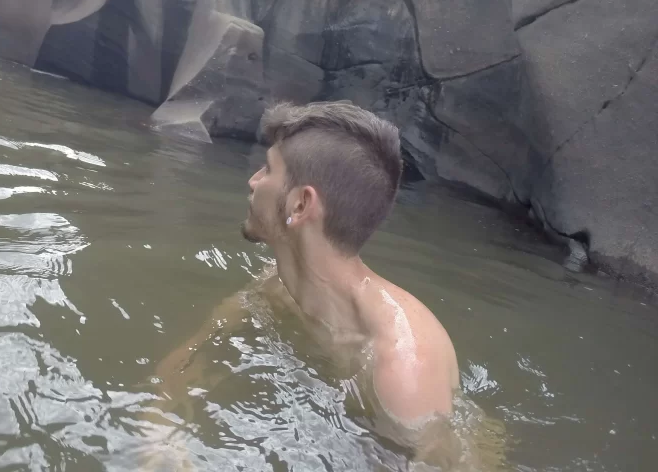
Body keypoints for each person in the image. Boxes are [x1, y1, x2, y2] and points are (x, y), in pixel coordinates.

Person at [149, 101, 472, 467]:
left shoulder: (399, 367)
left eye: (267, 169)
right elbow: (189, 362)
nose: (252, 181)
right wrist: (162, 443)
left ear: (301, 205)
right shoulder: (274, 285)